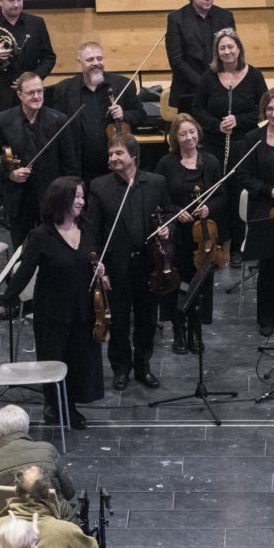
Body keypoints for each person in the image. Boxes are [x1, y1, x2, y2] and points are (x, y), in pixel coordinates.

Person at [0, 178, 104, 429]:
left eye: (83, 197)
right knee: (55, 358)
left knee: (79, 359)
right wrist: (4, 302)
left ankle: (70, 403)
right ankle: (57, 407)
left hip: (83, 307)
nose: (81, 201)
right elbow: (24, 272)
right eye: (76, 197)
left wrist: (100, 269)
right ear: (61, 199)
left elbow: (91, 256)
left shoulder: (87, 226)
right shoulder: (42, 235)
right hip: (52, 311)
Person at [88, 134, 173, 390]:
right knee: (120, 320)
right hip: (116, 266)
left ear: (133, 156)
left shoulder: (156, 182)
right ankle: (121, 369)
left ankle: (143, 367)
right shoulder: (99, 186)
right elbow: (93, 231)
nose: (112, 158)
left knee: (147, 320)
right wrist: (98, 266)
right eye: (111, 153)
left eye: (118, 153)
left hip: (150, 264)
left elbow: (169, 212)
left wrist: (168, 228)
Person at [156, 115, 224, 355]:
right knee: (178, 283)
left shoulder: (211, 162)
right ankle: (179, 329)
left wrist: (209, 208)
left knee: (200, 284)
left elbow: (221, 195)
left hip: (203, 236)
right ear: (175, 137)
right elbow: (160, 200)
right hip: (178, 235)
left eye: (192, 132)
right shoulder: (166, 163)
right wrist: (177, 212)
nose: (189, 138)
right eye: (183, 134)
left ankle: (196, 329)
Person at [0, 73, 78, 254]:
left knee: (55, 250)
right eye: (31, 93)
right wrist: (9, 174)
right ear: (20, 95)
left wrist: (68, 197)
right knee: (23, 251)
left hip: (52, 197)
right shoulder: (4, 120)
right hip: (19, 199)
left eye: (40, 91)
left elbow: (70, 165)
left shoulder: (59, 120)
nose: (37, 96)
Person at [51, 41, 147, 182]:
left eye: (99, 58)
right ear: (80, 62)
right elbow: (55, 124)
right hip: (79, 166)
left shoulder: (123, 84)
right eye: (90, 60)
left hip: (114, 166)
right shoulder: (64, 89)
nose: (96, 63)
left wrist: (124, 114)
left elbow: (141, 116)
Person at [194, 28, 266, 180]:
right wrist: (217, 125)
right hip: (214, 143)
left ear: (239, 49)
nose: (227, 52)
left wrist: (238, 120)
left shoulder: (255, 76)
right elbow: (197, 109)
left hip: (245, 142)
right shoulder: (208, 77)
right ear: (217, 52)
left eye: (230, 47)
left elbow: (264, 110)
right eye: (222, 48)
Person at [165, 0, 236, 117]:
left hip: (220, 89)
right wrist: (205, 84)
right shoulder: (176, 19)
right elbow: (176, 61)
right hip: (188, 89)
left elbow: (233, 52)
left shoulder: (225, 16)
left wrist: (219, 83)